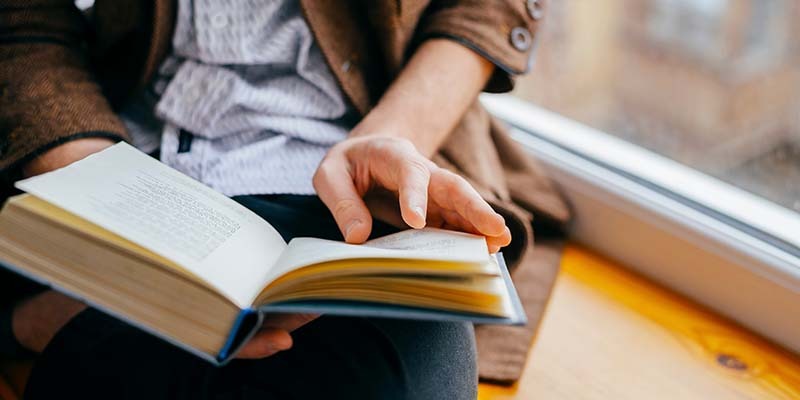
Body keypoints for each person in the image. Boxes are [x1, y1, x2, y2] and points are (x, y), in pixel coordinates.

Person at [0, 0, 565, 398]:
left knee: (409, 377)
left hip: (353, 160)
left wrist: (388, 136)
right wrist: (106, 198)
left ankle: (48, 323)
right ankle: (46, 319)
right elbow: (23, 18)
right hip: (127, 146)